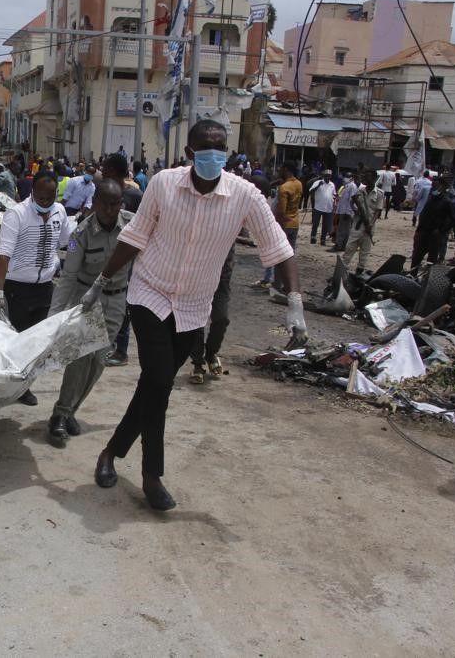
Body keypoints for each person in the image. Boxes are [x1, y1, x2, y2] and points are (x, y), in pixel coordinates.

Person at [82, 119, 304, 512]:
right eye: (206, 149)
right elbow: (135, 236)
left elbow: (279, 246)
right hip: (150, 293)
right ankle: (152, 478)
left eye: (221, 149)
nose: (214, 155)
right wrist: (101, 279)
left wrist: (295, 302)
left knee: (154, 385)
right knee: (160, 382)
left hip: (192, 307)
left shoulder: (244, 195)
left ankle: (110, 452)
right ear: (190, 153)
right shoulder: (165, 184)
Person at [44, 181, 130, 446]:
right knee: (79, 358)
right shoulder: (79, 234)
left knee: (98, 361)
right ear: (95, 203)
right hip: (86, 300)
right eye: (104, 203)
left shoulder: (131, 226)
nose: (109, 209)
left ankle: (72, 410)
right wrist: (54, 315)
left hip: (116, 301)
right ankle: (59, 415)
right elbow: (68, 277)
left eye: (115, 204)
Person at [0, 170, 71, 406]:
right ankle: (17, 386)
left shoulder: (60, 212)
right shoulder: (16, 215)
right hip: (18, 288)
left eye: (50, 197)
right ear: (32, 193)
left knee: (38, 342)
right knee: (19, 340)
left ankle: (25, 384)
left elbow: (69, 240)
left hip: (45, 287)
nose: (45, 203)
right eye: (41, 198)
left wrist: (76, 257)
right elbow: (3, 255)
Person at [100, 153, 142, 368]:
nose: (102, 174)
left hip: (127, 257)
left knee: (123, 303)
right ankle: (105, 345)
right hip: (104, 253)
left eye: (106, 170)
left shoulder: (134, 196)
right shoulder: (102, 190)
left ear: (115, 172)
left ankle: (122, 351)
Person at [188, 248, 233, 385]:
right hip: (195, 282)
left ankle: (211, 353)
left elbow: (228, 265)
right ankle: (197, 364)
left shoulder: (228, 236)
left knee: (222, 318)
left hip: (220, 284)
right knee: (197, 321)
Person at [256, 161, 300, 288]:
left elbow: (281, 210)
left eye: (281, 169)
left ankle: (277, 283)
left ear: (286, 170)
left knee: (278, 255)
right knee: (289, 254)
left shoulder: (284, 188)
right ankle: (287, 285)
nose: (279, 171)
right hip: (294, 223)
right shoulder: (298, 184)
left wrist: (276, 225)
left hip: (284, 224)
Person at [410, 176, 455, 273]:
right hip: (423, 233)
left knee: (431, 261)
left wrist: (441, 230)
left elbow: (454, 219)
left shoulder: (447, 202)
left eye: (437, 185)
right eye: (433, 185)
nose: (434, 188)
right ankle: (412, 277)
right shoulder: (431, 198)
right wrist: (419, 230)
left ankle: (427, 281)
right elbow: (424, 215)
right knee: (416, 258)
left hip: (435, 236)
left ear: (443, 187)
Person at [342, 171, 377, 275]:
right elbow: (352, 201)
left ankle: (360, 270)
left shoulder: (379, 193)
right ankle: (343, 269)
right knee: (349, 248)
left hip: (369, 227)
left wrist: (370, 224)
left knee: (364, 252)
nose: (365, 179)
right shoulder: (360, 191)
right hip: (357, 225)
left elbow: (378, 211)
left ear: (374, 178)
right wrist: (355, 210)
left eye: (368, 177)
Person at [308, 169, 337, 246]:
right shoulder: (318, 182)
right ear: (324, 176)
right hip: (318, 207)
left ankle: (323, 239)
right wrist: (318, 185)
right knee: (315, 223)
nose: (328, 177)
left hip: (328, 208)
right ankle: (313, 237)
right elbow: (311, 191)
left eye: (329, 176)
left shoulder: (332, 184)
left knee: (325, 225)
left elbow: (334, 195)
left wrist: (335, 202)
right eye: (326, 175)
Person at [330, 173, 358, 252]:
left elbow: (351, 200)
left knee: (343, 230)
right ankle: (342, 245)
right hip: (342, 211)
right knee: (343, 230)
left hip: (346, 212)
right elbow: (342, 200)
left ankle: (340, 245)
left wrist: (348, 212)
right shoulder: (345, 187)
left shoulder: (352, 186)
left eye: (347, 177)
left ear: (351, 178)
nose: (344, 178)